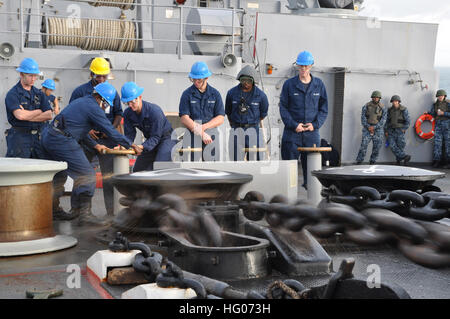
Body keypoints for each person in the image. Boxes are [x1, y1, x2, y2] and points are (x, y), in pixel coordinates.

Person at [40, 82, 142, 225]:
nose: (106, 107)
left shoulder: (82, 102)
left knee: (59, 175)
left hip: (49, 137)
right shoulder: (93, 108)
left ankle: (54, 211)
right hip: (61, 140)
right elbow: (110, 130)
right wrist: (131, 145)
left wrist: (95, 144)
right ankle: (85, 215)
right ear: (102, 99)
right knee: (87, 175)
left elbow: (77, 130)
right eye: (107, 104)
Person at [69, 57, 123, 218]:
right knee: (83, 174)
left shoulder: (112, 93)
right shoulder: (80, 92)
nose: (101, 79)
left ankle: (111, 212)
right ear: (91, 74)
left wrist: (110, 129)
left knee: (108, 176)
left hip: (107, 140)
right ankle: (78, 210)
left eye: (104, 76)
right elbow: (72, 115)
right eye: (98, 76)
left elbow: (119, 114)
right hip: (86, 140)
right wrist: (86, 131)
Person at [279, 51, 328, 189]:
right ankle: (289, 197)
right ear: (297, 66)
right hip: (292, 133)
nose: (303, 69)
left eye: (306, 66)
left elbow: (324, 109)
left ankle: (311, 196)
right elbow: (283, 107)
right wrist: (294, 125)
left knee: (312, 170)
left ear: (311, 66)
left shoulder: (319, 85)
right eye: (301, 66)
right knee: (289, 169)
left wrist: (315, 125)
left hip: (311, 133)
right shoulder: (289, 84)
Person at [122, 82, 177, 171]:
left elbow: (156, 137)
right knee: (137, 170)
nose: (130, 105)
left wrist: (141, 147)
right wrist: (125, 145)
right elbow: (129, 135)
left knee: (159, 168)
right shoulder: (128, 113)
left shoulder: (155, 112)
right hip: (151, 140)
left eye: (133, 101)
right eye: (127, 103)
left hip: (167, 138)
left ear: (140, 97)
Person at [4, 57, 52, 158]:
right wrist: (39, 111)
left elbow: (48, 115)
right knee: (18, 170)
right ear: (21, 74)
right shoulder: (13, 94)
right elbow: (20, 115)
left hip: (38, 138)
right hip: (19, 138)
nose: (33, 79)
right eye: (30, 75)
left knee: (40, 168)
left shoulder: (39, 94)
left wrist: (27, 115)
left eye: (35, 76)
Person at [179, 61, 225, 161]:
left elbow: (220, 118)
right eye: (193, 79)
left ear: (206, 78)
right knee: (190, 167)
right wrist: (201, 132)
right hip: (192, 133)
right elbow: (184, 118)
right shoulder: (187, 94)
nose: (196, 82)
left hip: (211, 134)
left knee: (211, 168)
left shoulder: (215, 94)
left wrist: (204, 127)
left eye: (199, 80)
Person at [225, 65, 269, 161]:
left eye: (249, 81)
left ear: (253, 81)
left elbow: (263, 114)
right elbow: (228, 112)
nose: (245, 83)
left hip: (253, 130)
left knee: (255, 161)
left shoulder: (261, 96)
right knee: (235, 161)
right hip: (236, 130)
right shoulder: (231, 93)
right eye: (243, 80)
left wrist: (251, 122)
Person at [355, 90, 387, 165]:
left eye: (377, 97)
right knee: (363, 146)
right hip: (367, 129)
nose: (376, 99)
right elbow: (363, 118)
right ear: (372, 98)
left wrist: (374, 128)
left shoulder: (383, 108)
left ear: (379, 98)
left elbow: (383, 120)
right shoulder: (366, 106)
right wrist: (369, 127)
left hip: (378, 130)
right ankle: (359, 161)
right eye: (374, 97)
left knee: (377, 147)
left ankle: (372, 161)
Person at [384, 95, 411, 165]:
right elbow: (387, 121)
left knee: (400, 146)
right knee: (392, 146)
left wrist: (404, 129)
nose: (394, 102)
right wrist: (386, 130)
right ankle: (405, 157)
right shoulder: (389, 110)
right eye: (393, 101)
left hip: (400, 130)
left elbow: (408, 121)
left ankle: (399, 161)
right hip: (391, 131)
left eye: (396, 101)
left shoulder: (404, 109)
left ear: (398, 101)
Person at [428, 89, 450, 168]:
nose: (440, 97)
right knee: (437, 144)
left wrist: (444, 113)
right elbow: (432, 113)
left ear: (444, 96)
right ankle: (437, 161)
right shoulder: (434, 105)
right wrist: (427, 113)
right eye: (439, 96)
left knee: (448, 144)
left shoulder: (448, 104)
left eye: (442, 96)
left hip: (447, 126)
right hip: (438, 126)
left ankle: (448, 162)